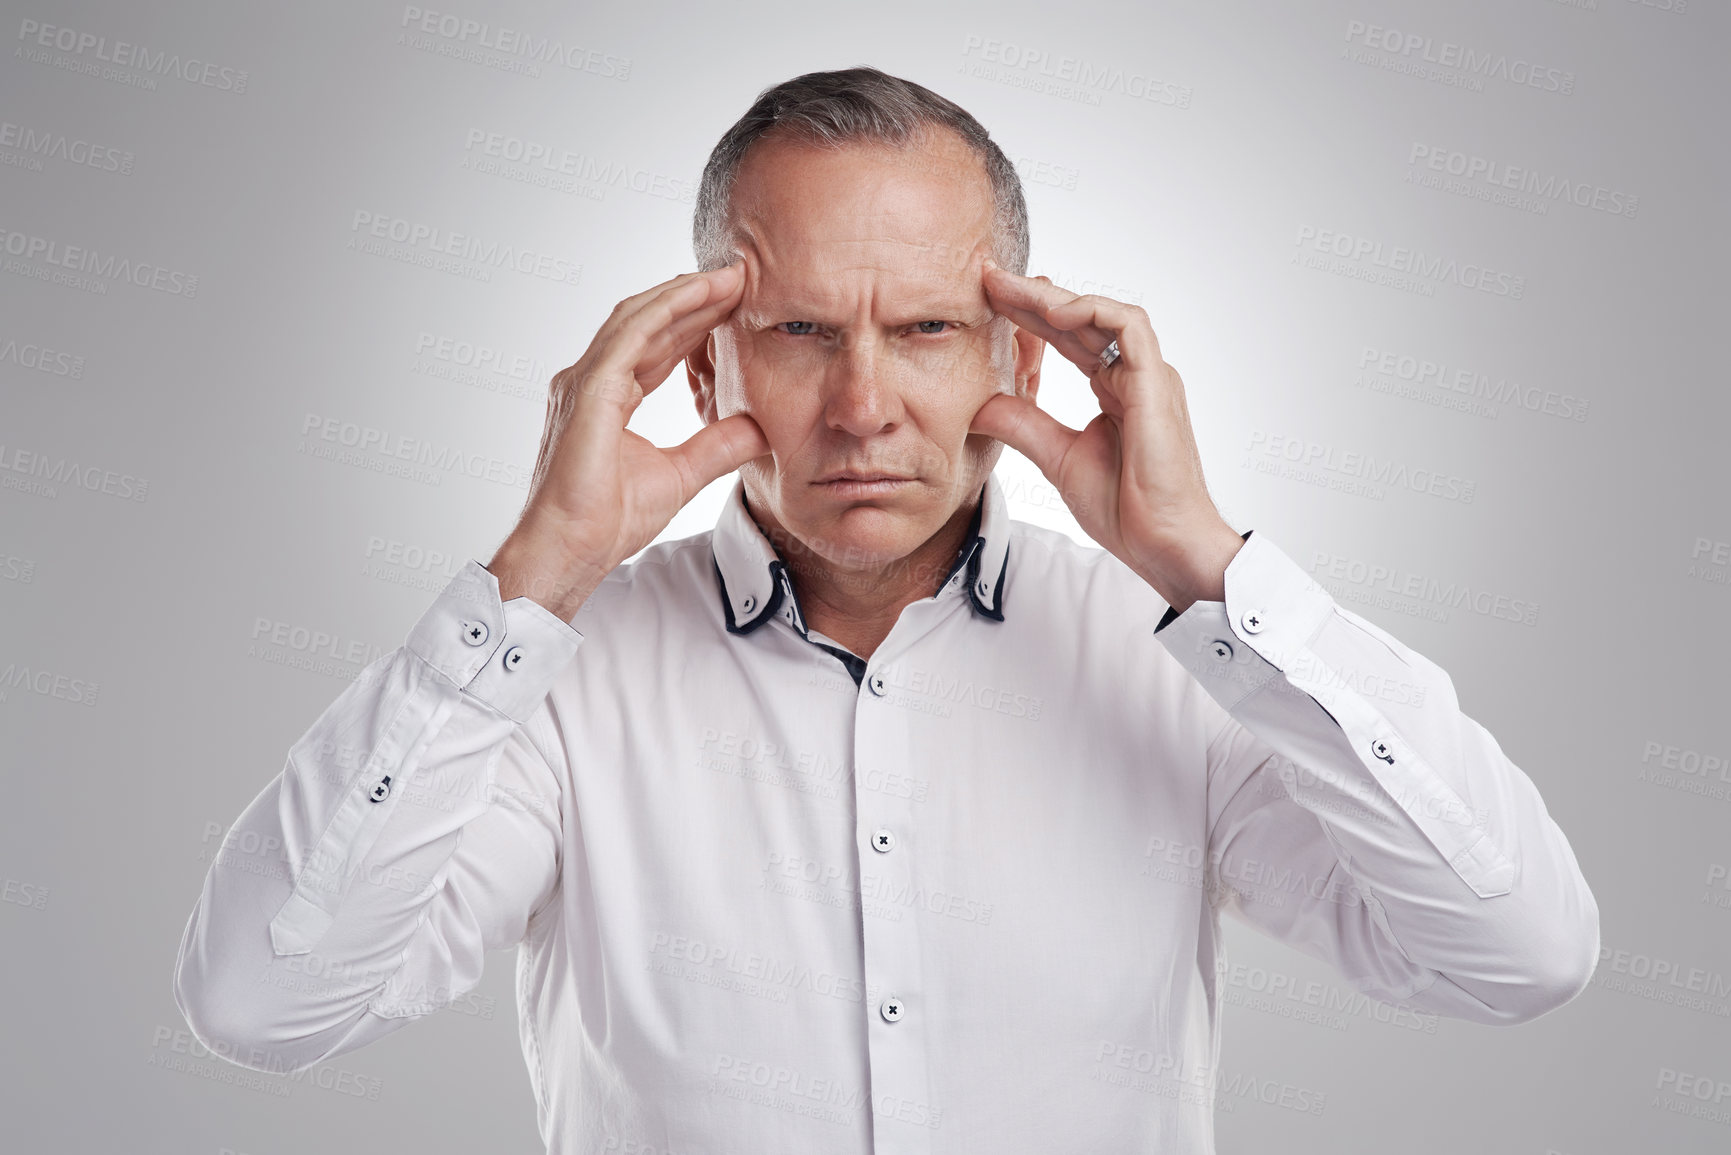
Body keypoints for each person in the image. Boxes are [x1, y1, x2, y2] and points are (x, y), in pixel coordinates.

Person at [173, 66, 1600, 1153]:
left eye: (923, 329)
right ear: (698, 375)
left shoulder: (1175, 662)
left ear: (1022, 365)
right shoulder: (563, 683)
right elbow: (260, 1005)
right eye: (799, 333)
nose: (864, 407)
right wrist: (529, 583)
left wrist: (1211, 571)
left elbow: (1521, 955)